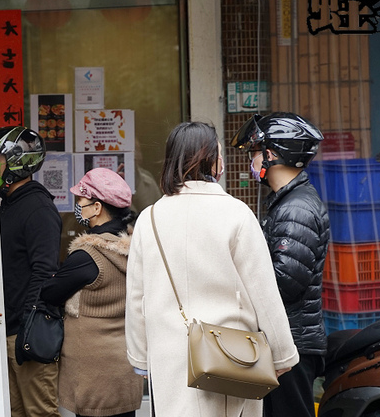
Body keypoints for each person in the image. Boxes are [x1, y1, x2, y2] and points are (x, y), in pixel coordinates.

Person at [125, 121, 299, 417]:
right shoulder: (237, 214)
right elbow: (264, 293)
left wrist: (140, 357)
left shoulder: (149, 218)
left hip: (170, 358)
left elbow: (137, 297)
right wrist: (283, 354)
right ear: (212, 162)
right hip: (231, 357)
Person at [231, 112, 330, 417]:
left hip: (294, 343)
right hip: (289, 338)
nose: (253, 160)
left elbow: (286, 282)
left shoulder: (296, 208)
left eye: (255, 153)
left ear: (272, 154)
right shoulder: (286, 201)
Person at [40, 167, 142, 417]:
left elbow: (50, 292)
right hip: (126, 366)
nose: (78, 207)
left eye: (81, 202)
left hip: (93, 375)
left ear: (97, 208)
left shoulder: (87, 256)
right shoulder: (135, 252)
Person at [0, 126, 61, 417]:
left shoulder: (38, 208)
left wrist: (28, 330)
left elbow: (44, 271)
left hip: (26, 336)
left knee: (40, 413)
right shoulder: (6, 205)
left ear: (17, 162)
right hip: (5, 331)